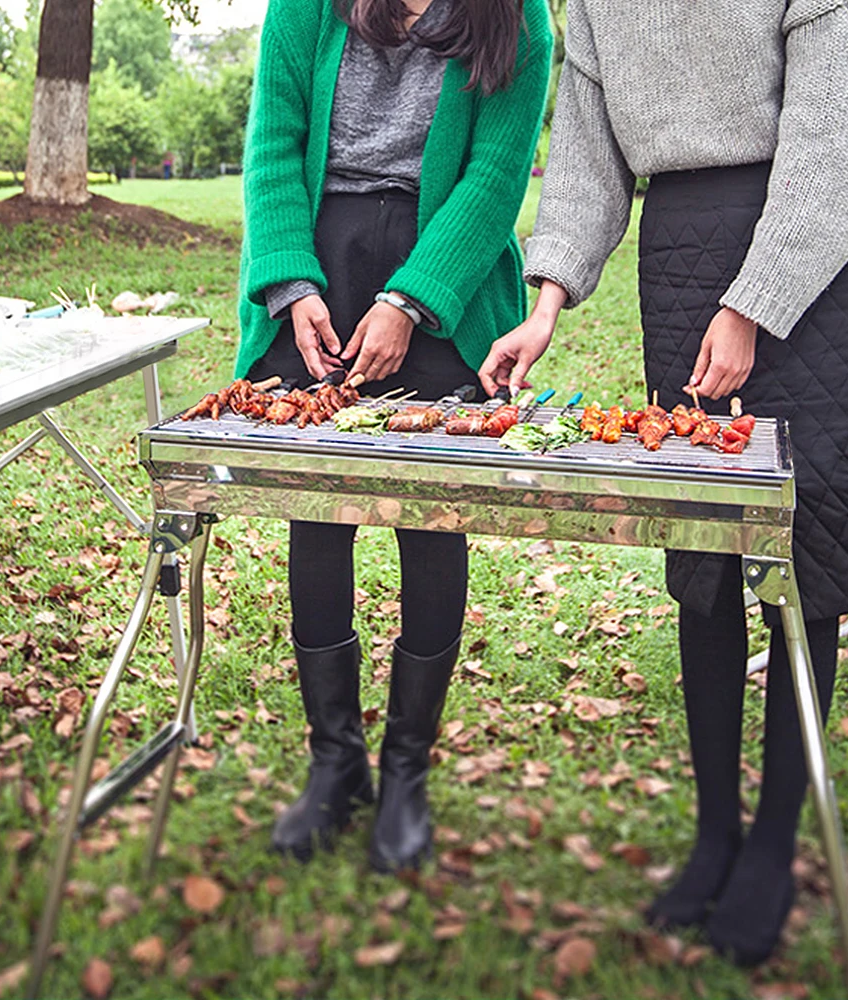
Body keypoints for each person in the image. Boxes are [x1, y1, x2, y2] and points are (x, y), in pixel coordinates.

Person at [478, 0, 848, 965]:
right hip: (680, 263)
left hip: (813, 266)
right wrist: (545, 304)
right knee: (706, 563)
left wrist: (754, 305)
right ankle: (717, 832)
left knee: (804, 564)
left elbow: (838, 147)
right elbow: (587, 156)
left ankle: (773, 845)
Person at [236, 0, 551, 871]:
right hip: (321, 272)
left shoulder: (518, 19)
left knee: (431, 516)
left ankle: (406, 769)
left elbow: (494, 177)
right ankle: (335, 762)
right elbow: (273, 145)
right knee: (319, 515)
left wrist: (412, 300)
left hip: (444, 280)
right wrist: (292, 283)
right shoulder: (305, 8)